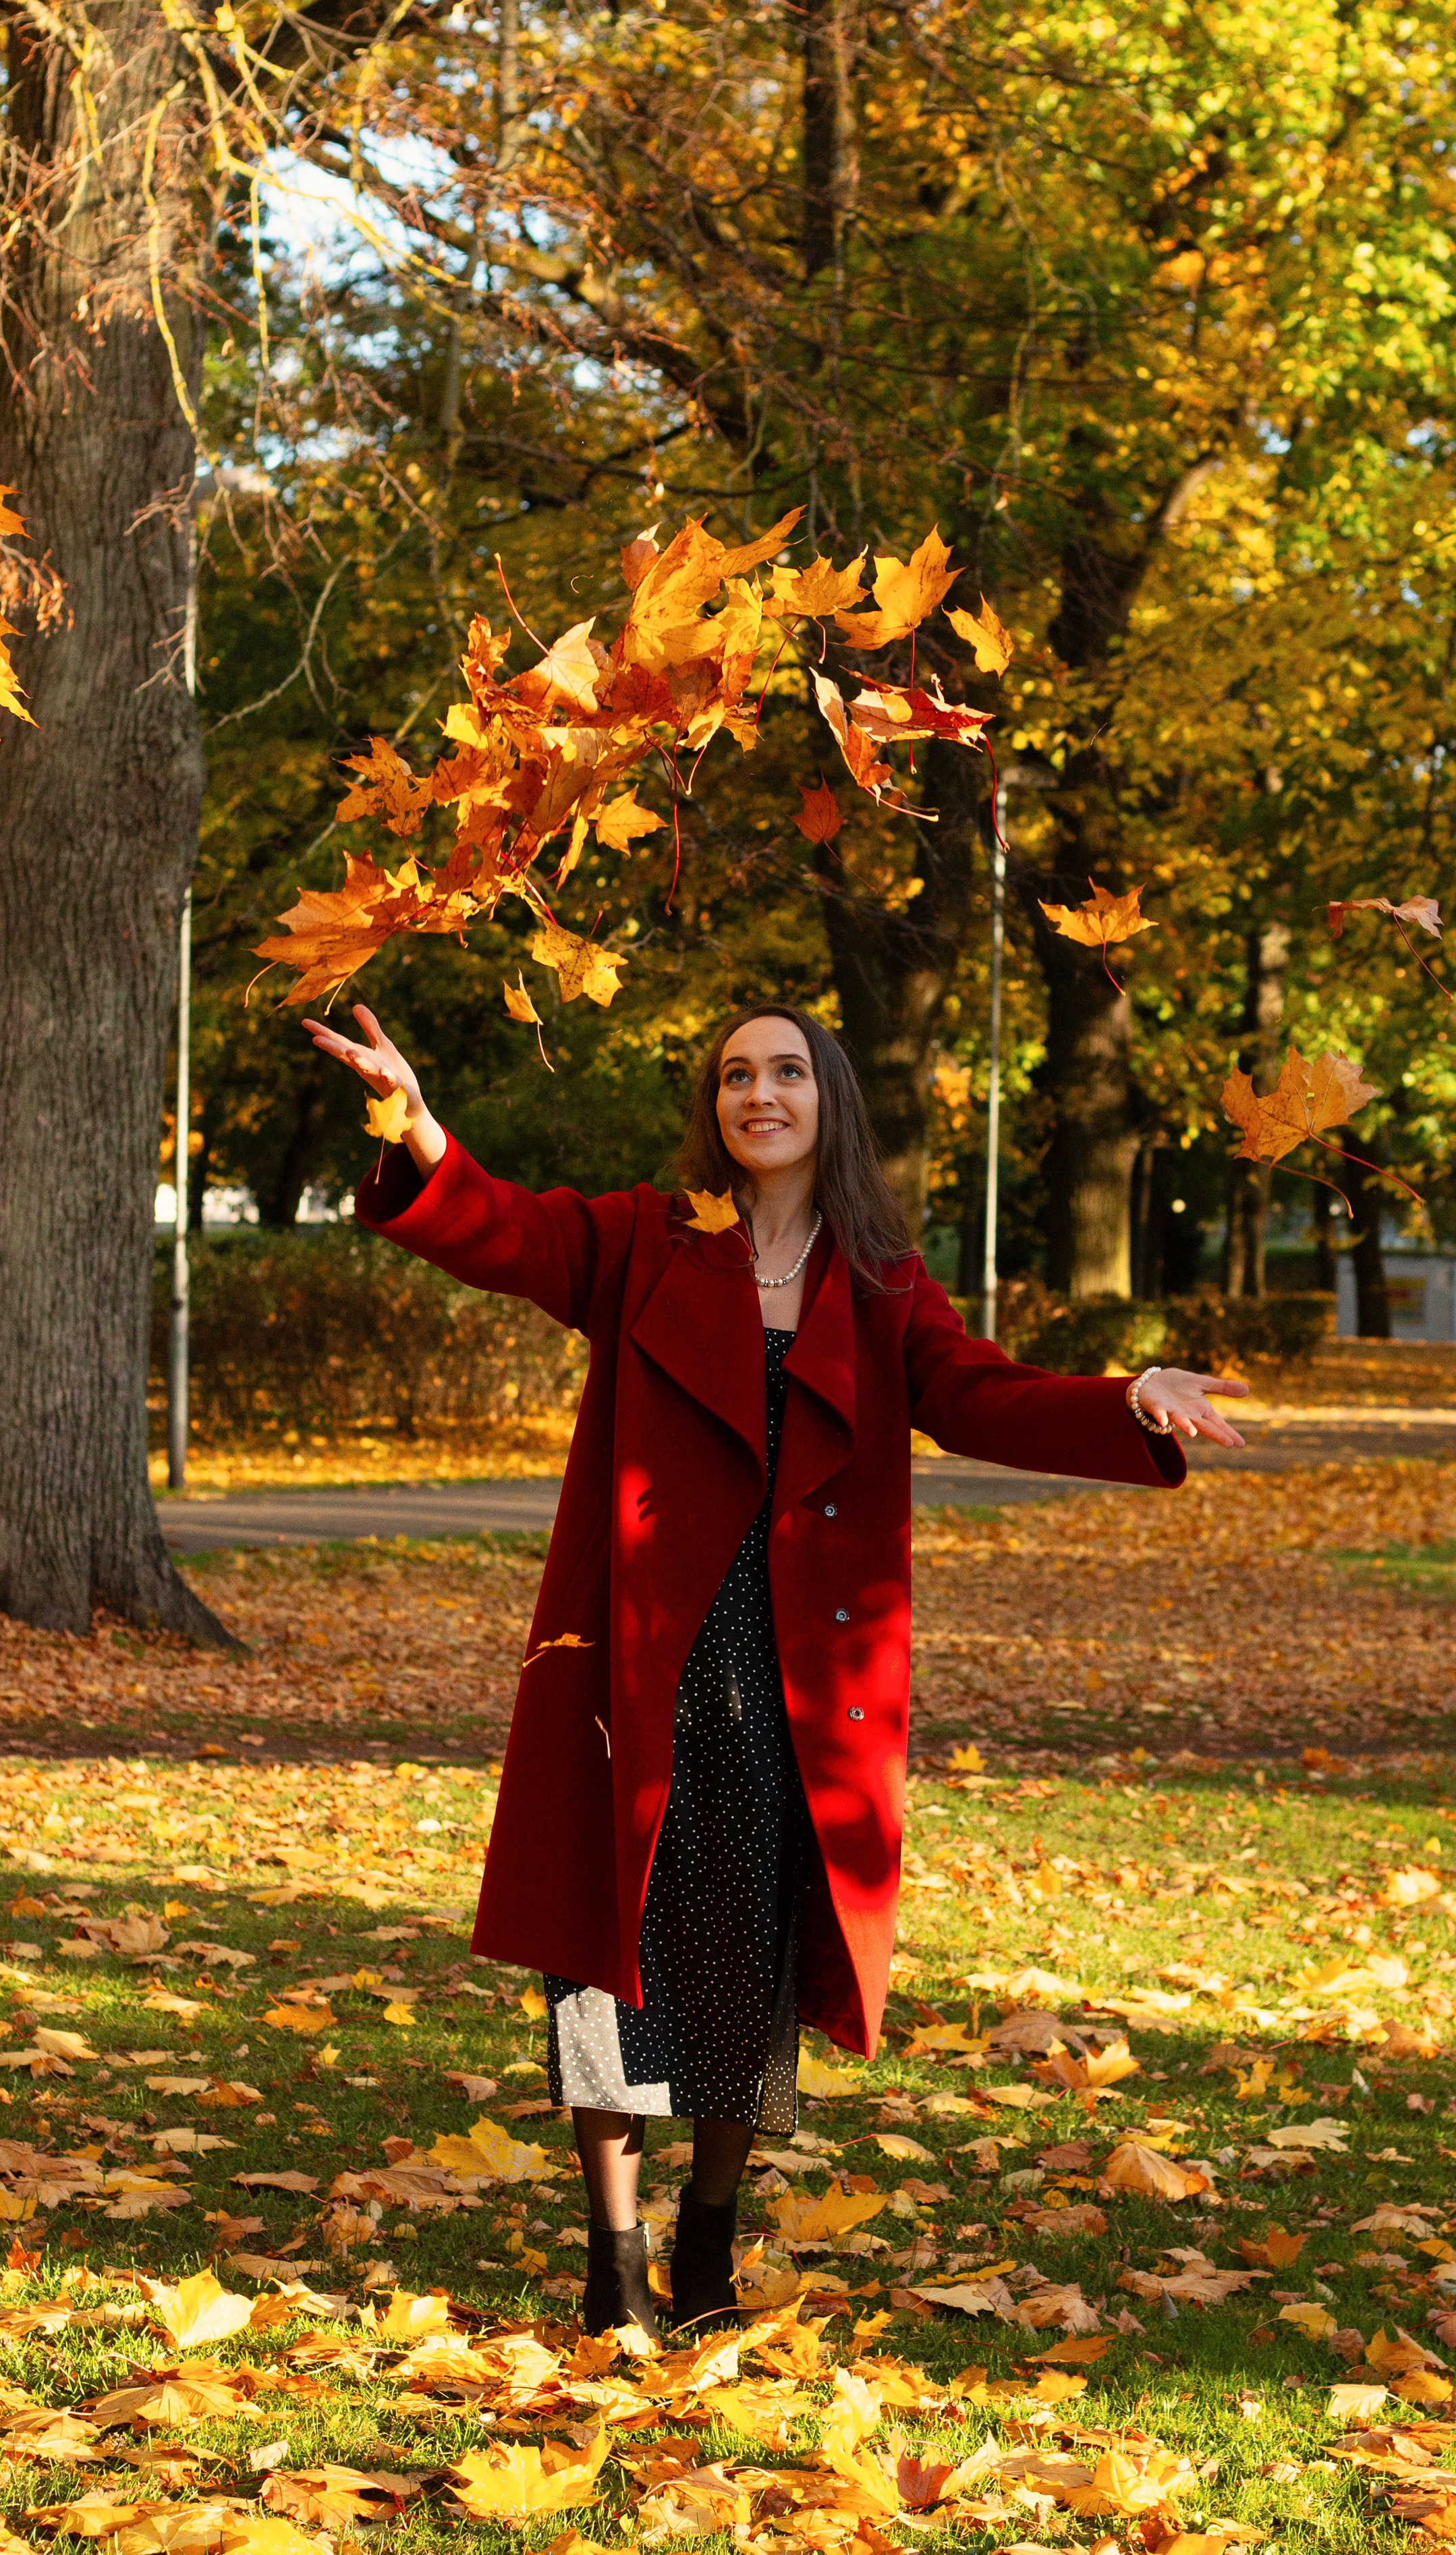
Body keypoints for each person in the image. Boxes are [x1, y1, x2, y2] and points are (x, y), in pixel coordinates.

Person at [308, 997, 1247, 2340]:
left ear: (828, 1101)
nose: (760, 1093)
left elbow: (978, 1393)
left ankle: (706, 2249)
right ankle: (612, 2267)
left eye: (787, 1071)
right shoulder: (643, 1239)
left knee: (745, 1958)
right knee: (607, 1959)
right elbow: (501, 1228)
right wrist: (421, 1129)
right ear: (715, 1105)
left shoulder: (876, 1281)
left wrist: (1127, 1398)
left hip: (792, 1683)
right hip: (636, 1670)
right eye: (736, 1073)